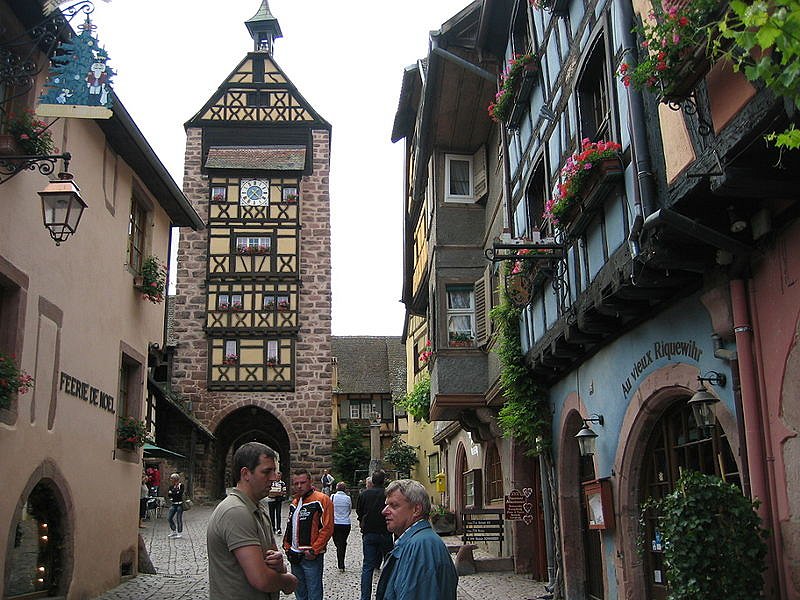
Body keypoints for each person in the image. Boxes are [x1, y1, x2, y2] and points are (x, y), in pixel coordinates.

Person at [207, 442, 297, 600]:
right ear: (245, 474)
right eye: (266, 472)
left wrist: (279, 564)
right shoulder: (236, 512)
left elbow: (275, 561)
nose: (274, 478)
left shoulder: (258, 508)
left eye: (274, 471)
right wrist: (289, 581)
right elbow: (261, 579)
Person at [375, 479, 458, 600]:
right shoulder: (416, 542)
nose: (384, 511)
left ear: (416, 510)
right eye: (386, 505)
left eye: (394, 505)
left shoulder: (422, 546)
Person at [283, 469, 333, 600]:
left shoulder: (322, 500)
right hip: (294, 555)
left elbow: (327, 527)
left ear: (310, 482)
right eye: (296, 483)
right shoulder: (295, 502)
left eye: (303, 482)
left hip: (310, 556)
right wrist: (287, 547)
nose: (299, 486)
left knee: (314, 592)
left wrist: (314, 550)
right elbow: (290, 525)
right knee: (300, 593)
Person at [356, 470, 393, 600]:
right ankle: (384, 595)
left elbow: (359, 513)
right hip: (385, 532)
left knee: (367, 567)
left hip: (369, 533)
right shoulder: (388, 494)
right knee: (388, 566)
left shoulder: (364, 494)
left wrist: (362, 523)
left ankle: (365, 597)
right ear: (384, 480)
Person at [331, 481, 352, 572]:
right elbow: (349, 509)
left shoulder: (332, 497)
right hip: (345, 523)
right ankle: (341, 562)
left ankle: (341, 563)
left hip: (335, 523)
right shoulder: (348, 498)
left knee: (338, 543)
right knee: (342, 542)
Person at [264, 471, 287, 535]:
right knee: (271, 514)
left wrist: (279, 494)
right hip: (271, 500)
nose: (278, 477)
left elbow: (284, 492)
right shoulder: (271, 482)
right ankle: (273, 528)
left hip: (278, 500)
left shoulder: (282, 483)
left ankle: (279, 528)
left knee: (278, 514)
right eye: (277, 476)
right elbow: (268, 491)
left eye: (279, 476)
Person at [167, 473, 185, 538]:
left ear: (175, 479)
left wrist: (173, 493)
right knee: (169, 518)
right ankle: (173, 530)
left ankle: (179, 532)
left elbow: (180, 494)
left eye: (172, 478)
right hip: (174, 504)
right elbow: (169, 495)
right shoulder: (171, 487)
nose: (171, 480)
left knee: (178, 518)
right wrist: (175, 492)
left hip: (180, 504)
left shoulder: (181, 485)